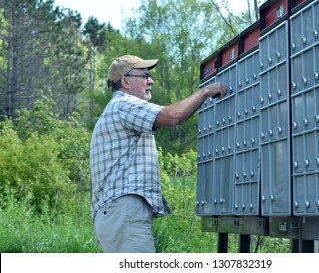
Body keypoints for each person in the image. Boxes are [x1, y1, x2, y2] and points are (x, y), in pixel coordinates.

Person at [90, 54, 228, 253]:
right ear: (126, 81)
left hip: (116, 216)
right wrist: (206, 92)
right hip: (124, 214)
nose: (150, 80)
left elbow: (175, 116)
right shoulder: (124, 105)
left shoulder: (117, 108)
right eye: (144, 76)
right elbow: (172, 116)